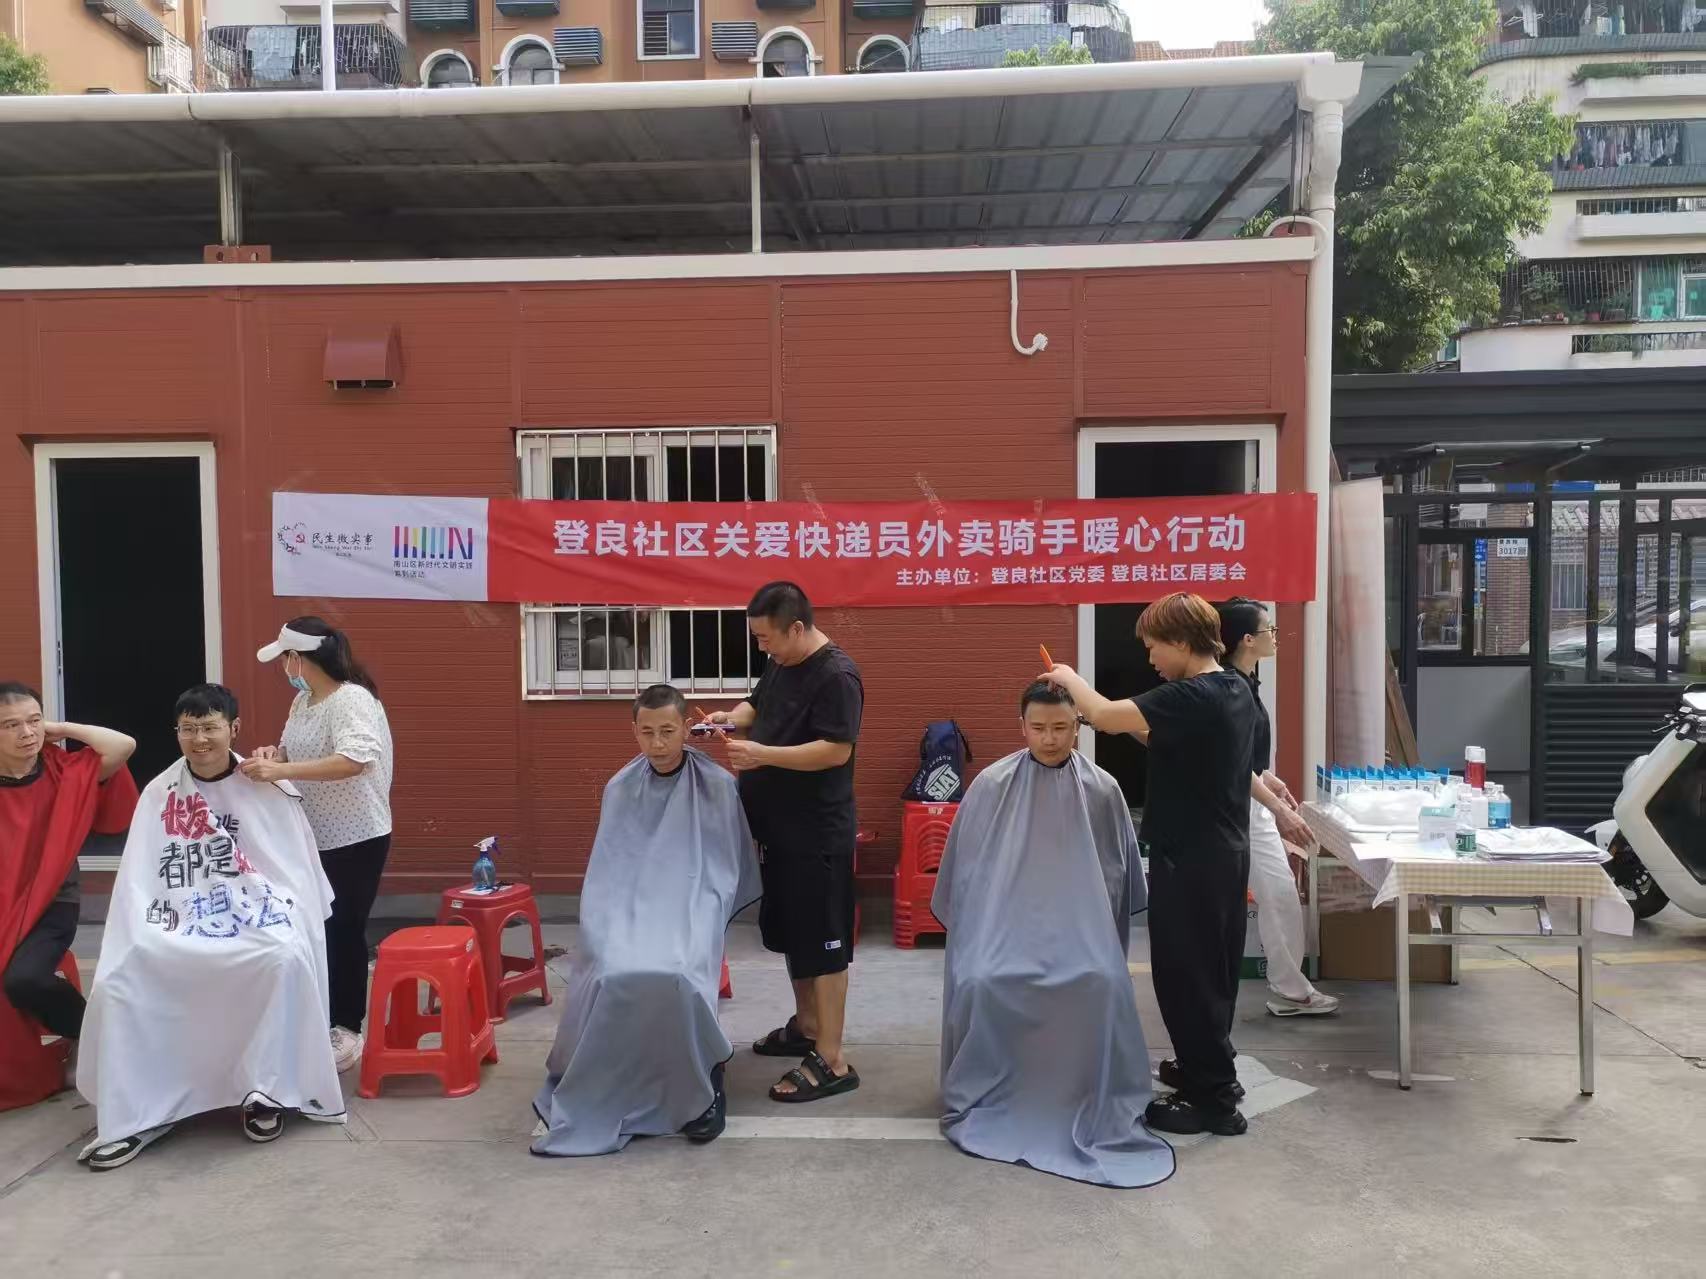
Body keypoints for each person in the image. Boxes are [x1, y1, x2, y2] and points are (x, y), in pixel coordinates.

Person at [76, 684, 343, 1171]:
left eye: (210, 727)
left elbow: (292, 872)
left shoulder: (267, 785)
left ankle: (265, 1093)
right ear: (176, 732)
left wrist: (281, 912)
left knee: (281, 958)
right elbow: (140, 878)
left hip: (254, 915)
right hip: (179, 915)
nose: (199, 739)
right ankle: (138, 1111)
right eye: (188, 729)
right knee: (120, 980)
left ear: (233, 729)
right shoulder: (159, 793)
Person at [932, 681, 1175, 1188]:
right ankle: (997, 1091)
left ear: (1078, 728)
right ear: (1021, 727)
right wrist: (981, 933)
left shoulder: (1103, 790)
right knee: (981, 979)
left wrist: (1095, 936)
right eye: (1038, 727)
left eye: (1061, 727)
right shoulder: (991, 786)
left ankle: (1086, 1091)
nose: (1049, 739)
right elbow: (966, 877)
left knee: (1103, 981)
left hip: (1080, 933)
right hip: (1002, 929)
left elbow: (1116, 880)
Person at [1043, 592, 1256, 1137]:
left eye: (1155, 647)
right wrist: (1106, 719)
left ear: (1182, 642)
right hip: (1223, 855)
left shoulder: (1194, 693)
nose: (1151, 659)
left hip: (1192, 859)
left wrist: (1069, 680)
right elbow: (1154, 734)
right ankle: (1209, 1069)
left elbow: (1105, 714)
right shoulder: (1233, 688)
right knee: (1213, 972)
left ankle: (1213, 1102)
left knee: (1186, 976)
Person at [532, 684, 759, 1155]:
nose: (658, 743)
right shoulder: (620, 788)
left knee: (679, 974)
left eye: (668, 731)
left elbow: (723, 866)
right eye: (648, 732)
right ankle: (613, 1078)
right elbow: (609, 871)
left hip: (692, 903)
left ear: (687, 729)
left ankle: (704, 1082)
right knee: (612, 971)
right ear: (634, 731)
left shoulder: (717, 785)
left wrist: (703, 907)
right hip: (627, 907)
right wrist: (604, 922)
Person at [707, 582, 863, 1104]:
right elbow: (757, 706)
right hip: (778, 831)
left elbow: (835, 750)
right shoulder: (782, 662)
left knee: (826, 944)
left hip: (817, 834)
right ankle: (808, 1025)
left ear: (796, 628)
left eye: (766, 637)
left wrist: (762, 755)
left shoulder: (836, 676)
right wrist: (728, 718)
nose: (761, 647)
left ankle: (833, 1058)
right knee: (795, 936)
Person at [241, 618, 394, 1073]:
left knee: (344, 928)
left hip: (356, 835)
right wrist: (274, 756)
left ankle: (347, 1027)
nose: (284, 669)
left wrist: (282, 772)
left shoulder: (351, 699)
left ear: (300, 659)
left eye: (286, 659)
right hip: (312, 834)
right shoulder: (304, 701)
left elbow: (354, 760)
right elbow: (293, 751)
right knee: (315, 927)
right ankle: (319, 1018)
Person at [0, 682, 137, 1113]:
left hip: (52, 902)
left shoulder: (64, 770)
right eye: (11, 725)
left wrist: (58, 728)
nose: (27, 733)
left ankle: (93, 1035)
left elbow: (123, 745)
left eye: (33, 721)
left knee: (22, 979)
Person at [1218, 599, 1339, 1018]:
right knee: (1278, 895)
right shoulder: (1231, 687)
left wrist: (1267, 777)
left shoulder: (1246, 683)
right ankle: (1291, 989)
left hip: (1249, 801)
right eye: (1268, 630)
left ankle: (1290, 987)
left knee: (1278, 894)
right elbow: (1230, 762)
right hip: (1240, 807)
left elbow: (1243, 758)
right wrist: (1278, 809)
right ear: (1247, 640)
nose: (1275, 637)